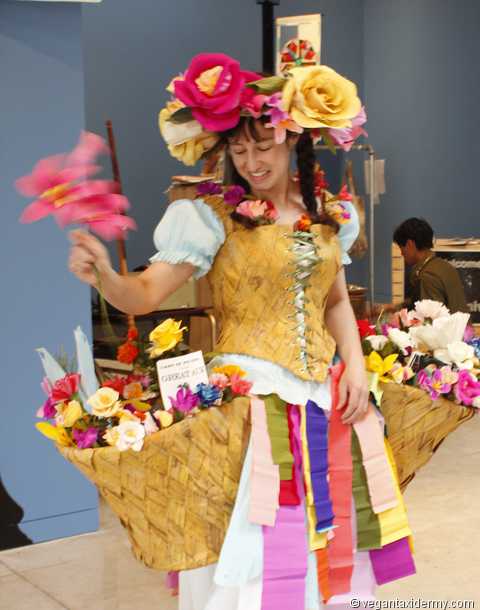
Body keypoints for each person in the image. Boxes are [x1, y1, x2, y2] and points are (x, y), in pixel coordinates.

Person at [68, 54, 413, 610]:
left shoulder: (331, 214)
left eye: (263, 146)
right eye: (239, 148)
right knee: (255, 544)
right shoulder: (210, 215)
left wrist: (352, 362)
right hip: (248, 407)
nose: (251, 160)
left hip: (324, 399)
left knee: (331, 536)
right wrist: (106, 274)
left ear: (292, 140)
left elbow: (333, 301)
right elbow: (147, 293)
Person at [393, 217, 468, 313]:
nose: (401, 253)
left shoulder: (427, 276)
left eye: (401, 248)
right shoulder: (445, 266)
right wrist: (397, 307)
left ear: (410, 244)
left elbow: (430, 321)